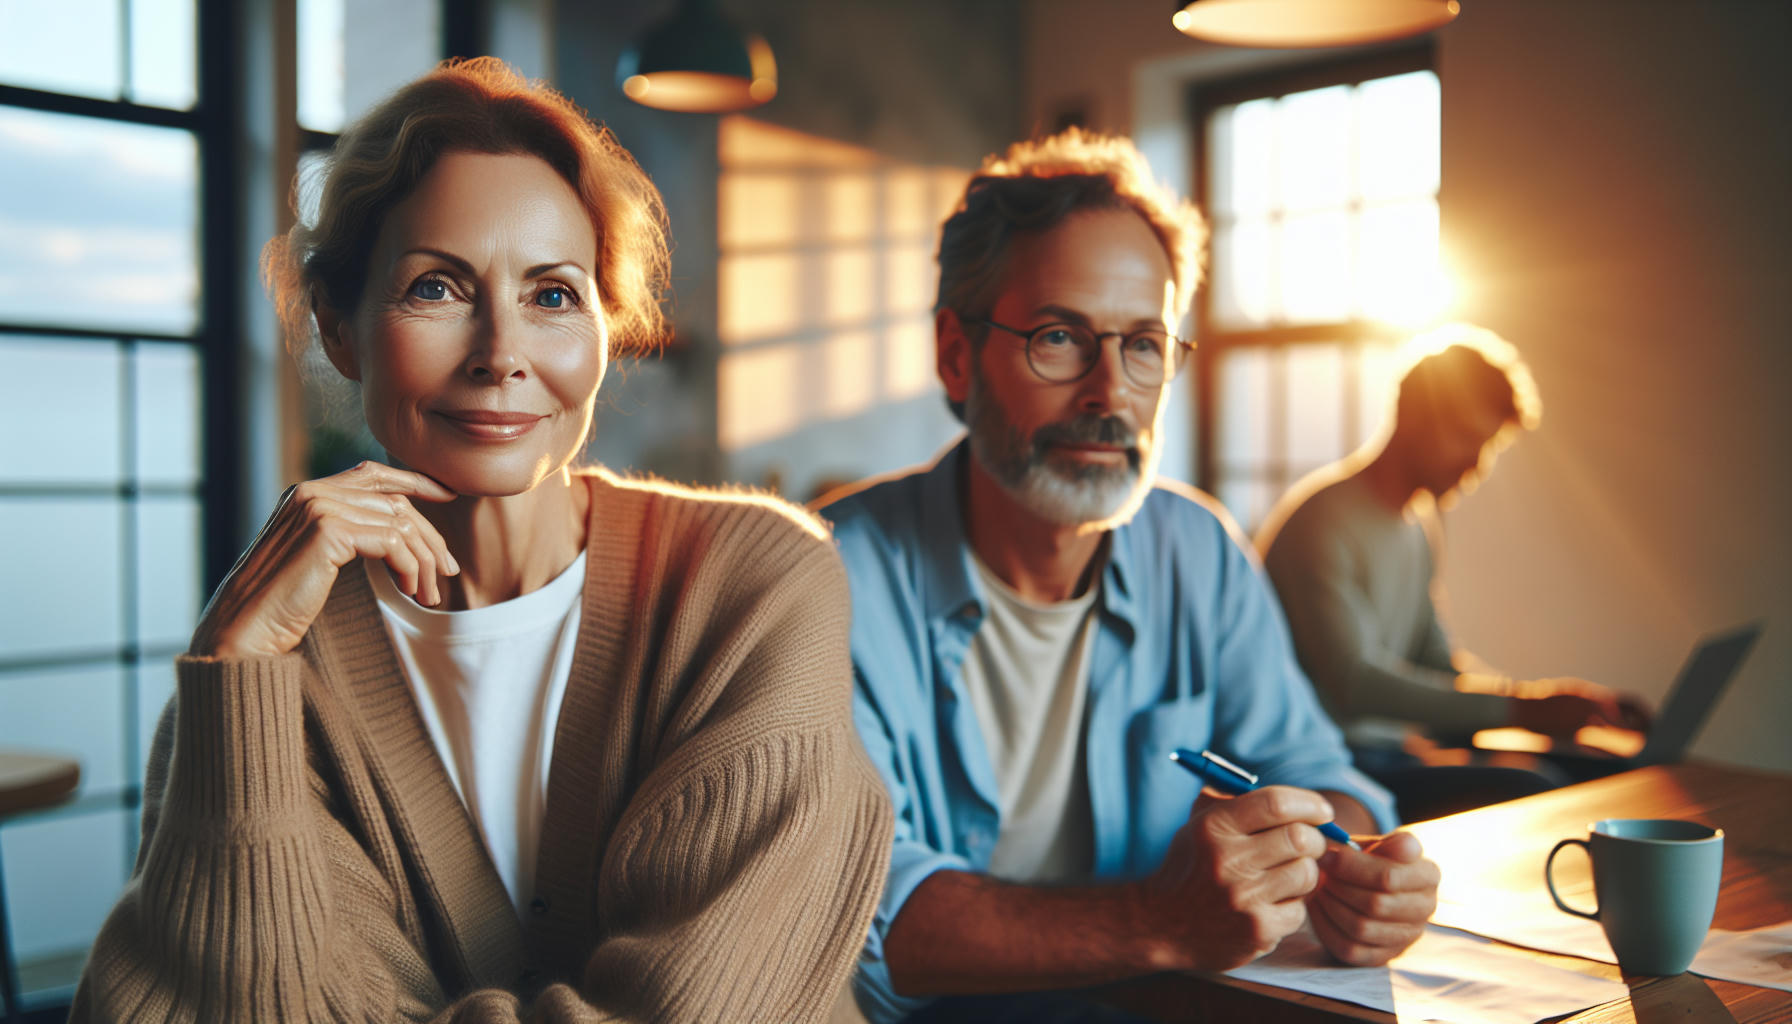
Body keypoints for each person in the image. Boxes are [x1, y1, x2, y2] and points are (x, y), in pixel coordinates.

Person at [72, 58, 890, 1024]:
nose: (502, 354)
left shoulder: (752, 587)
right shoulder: (265, 669)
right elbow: (215, 1002)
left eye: (552, 296)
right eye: (437, 288)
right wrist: (235, 665)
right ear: (339, 328)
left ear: (606, 326)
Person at [814, 129, 1440, 1023]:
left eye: (1144, 344)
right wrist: (1158, 920)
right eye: (1059, 337)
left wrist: (1353, 873)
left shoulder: (1198, 550)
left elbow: (1316, 769)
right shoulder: (828, 577)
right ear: (957, 355)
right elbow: (870, 920)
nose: (1109, 393)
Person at [1256, 328, 1650, 819]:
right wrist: (1524, 711)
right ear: (1417, 418)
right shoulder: (1322, 522)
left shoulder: (1418, 526)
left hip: (1393, 753)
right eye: (1468, 439)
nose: (1476, 465)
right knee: (1533, 788)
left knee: (1602, 770)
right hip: (1331, 763)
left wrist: (1556, 709)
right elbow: (1354, 684)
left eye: (1487, 448)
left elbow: (1437, 663)